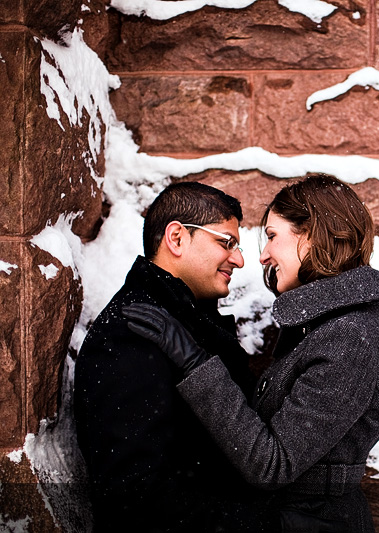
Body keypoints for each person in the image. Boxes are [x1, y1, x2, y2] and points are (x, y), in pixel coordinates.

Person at [123, 174, 379, 532]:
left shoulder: (347, 336)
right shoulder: (322, 324)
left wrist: (195, 362)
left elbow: (272, 464)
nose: (263, 254)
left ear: (312, 235)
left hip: (314, 521)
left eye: (271, 236)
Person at [74, 182, 268, 532]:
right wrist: (269, 524)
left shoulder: (187, 320)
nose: (239, 259)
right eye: (226, 242)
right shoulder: (132, 333)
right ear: (176, 238)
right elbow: (135, 497)